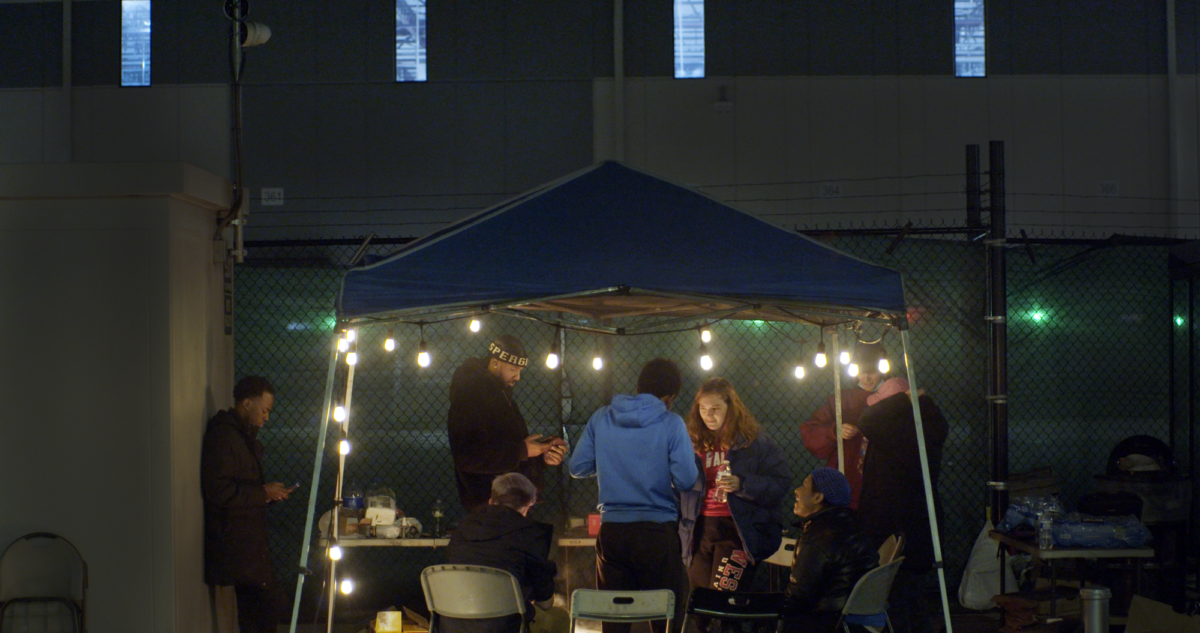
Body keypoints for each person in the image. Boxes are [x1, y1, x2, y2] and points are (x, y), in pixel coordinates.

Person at [568, 358, 698, 633]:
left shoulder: (602, 417)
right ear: (670, 397)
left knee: (615, 618)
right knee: (666, 615)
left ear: (638, 386)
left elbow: (577, 467)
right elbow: (687, 479)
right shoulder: (671, 423)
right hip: (656, 532)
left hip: (613, 531)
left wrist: (612, 461)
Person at [679, 377, 791, 605]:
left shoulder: (754, 442)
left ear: (731, 408)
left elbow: (780, 483)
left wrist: (743, 484)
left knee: (723, 603)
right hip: (699, 530)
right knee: (698, 602)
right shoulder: (691, 442)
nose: (708, 415)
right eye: (703, 409)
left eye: (715, 409)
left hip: (737, 530)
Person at [201, 376, 295, 633]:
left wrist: (266, 495)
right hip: (238, 545)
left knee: (264, 607)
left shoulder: (239, 436)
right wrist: (262, 493)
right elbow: (220, 490)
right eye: (264, 410)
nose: (266, 417)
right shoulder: (225, 437)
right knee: (264, 608)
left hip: (246, 545)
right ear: (246, 404)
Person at [856, 377, 949, 633]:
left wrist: (903, 399)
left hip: (900, 527)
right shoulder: (919, 427)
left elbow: (867, 419)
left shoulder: (900, 431)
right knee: (910, 595)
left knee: (900, 596)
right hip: (915, 525)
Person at [448, 335, 567, 512]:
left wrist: (542, 454)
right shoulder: (470, 397)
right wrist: (521, 451)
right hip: (490, 505)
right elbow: (468, 456)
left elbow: (508, 448)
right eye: (513, 369)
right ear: (495, 363)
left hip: (507, 504)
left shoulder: (501, 395)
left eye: (520, 370)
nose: (517, 377)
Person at [443, 472, 562, 633]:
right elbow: (545, 602)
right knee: (559, 618)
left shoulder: (463, 528)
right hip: (504, 626)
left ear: (491, 501)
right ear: (529, 503)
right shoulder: (531, 533)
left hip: (453, 622)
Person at [783, 467, 879, 632]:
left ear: (818, 497)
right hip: (855, 619)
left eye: (804, 486)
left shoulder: (819, 536)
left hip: (828, 621)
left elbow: (798, 597)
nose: (796, 491)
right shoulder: (847, 524)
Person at [799, 342, 889, 508]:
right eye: (862, 371)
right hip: (847, 476)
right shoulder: (841, 400)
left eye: (872, 372)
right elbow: (810, 433)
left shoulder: (895, 398)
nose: (867, 378)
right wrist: (834, 431)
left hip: (885, 478)